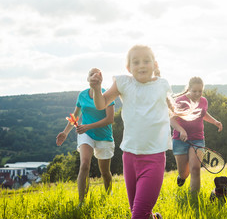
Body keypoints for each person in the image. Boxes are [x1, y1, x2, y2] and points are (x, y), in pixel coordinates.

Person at [89, 45, 199, 219]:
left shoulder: (162, 85)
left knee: (138, 215)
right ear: (129, 68)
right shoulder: (123, 83)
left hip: (153, 159)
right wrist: (96, 88)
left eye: (146, 61)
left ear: (154, 64)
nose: (141, 65)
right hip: (129, 157)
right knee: (139, 212)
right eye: (136, 62)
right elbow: (101, 104)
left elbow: (169, 107)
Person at [56, 68, 115, 205]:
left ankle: (109, 194)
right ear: (87, 78)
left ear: (100, 79)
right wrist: (65, 132)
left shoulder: (107, 94)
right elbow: (75, 116)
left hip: (104, 136)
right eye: (90, 74)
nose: (93, 76)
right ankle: (82, 202)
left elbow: (109, 119)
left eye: (97, 74)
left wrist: (88, 126)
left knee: (105, 173)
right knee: (84, 165)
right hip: (86, 134)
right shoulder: (82, 95)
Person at [172, 77, 223, 193]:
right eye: (194, 91)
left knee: (195, 169)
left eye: (200, 91)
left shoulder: (204, 101)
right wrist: (181, 130)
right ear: (188, 89)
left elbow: (203, 114)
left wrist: (215, 121)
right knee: (184, 173)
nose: (197, 94)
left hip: (198, 139)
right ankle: (182, 177)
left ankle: (194, 197)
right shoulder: (181, 101)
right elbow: (172, 120)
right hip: (180, 140)